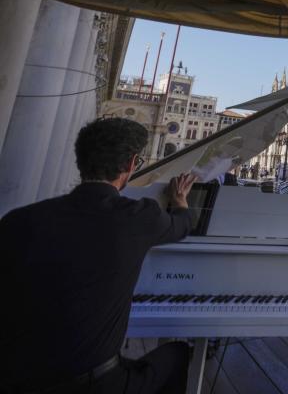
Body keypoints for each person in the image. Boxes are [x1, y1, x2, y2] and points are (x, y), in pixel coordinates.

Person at [0, 118, 196, 393]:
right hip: (92, 384)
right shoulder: (141, 217)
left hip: (14, 378)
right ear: (130, 165)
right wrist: (180, 202)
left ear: (80, 162)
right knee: (177, 355)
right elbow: (184, 223)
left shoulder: (18, 221)